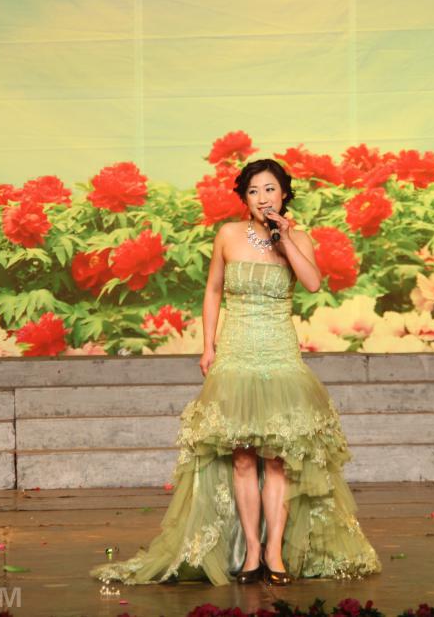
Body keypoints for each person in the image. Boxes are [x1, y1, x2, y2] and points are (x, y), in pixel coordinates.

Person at [90, 159, 381, 586]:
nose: (262, 198)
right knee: (242, 457)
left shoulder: (298, 238)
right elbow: (212, 291)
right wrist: (208, 345)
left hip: (278, 354)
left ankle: (275, 553)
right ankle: (252, 553)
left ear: (284, 193)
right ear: (244, 198)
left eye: (270, 189)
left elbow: (313, 284)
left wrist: (285, 239)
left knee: (277, 457)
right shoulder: (227, 235)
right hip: (236, 351)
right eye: (253, 191)